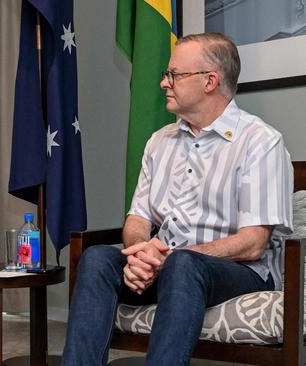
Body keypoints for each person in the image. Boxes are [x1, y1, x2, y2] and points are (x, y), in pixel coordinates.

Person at [62, 33, 293, 365]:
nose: (163, 83)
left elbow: (254, 243)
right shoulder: (160, 141)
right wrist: (142, 250)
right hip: (165, 267)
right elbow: (138, 218)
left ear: (210, 81)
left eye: (174, 74)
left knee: (184, 264)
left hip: (237, 272)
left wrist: (170, 257)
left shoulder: (260, 142)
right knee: (98, 258)